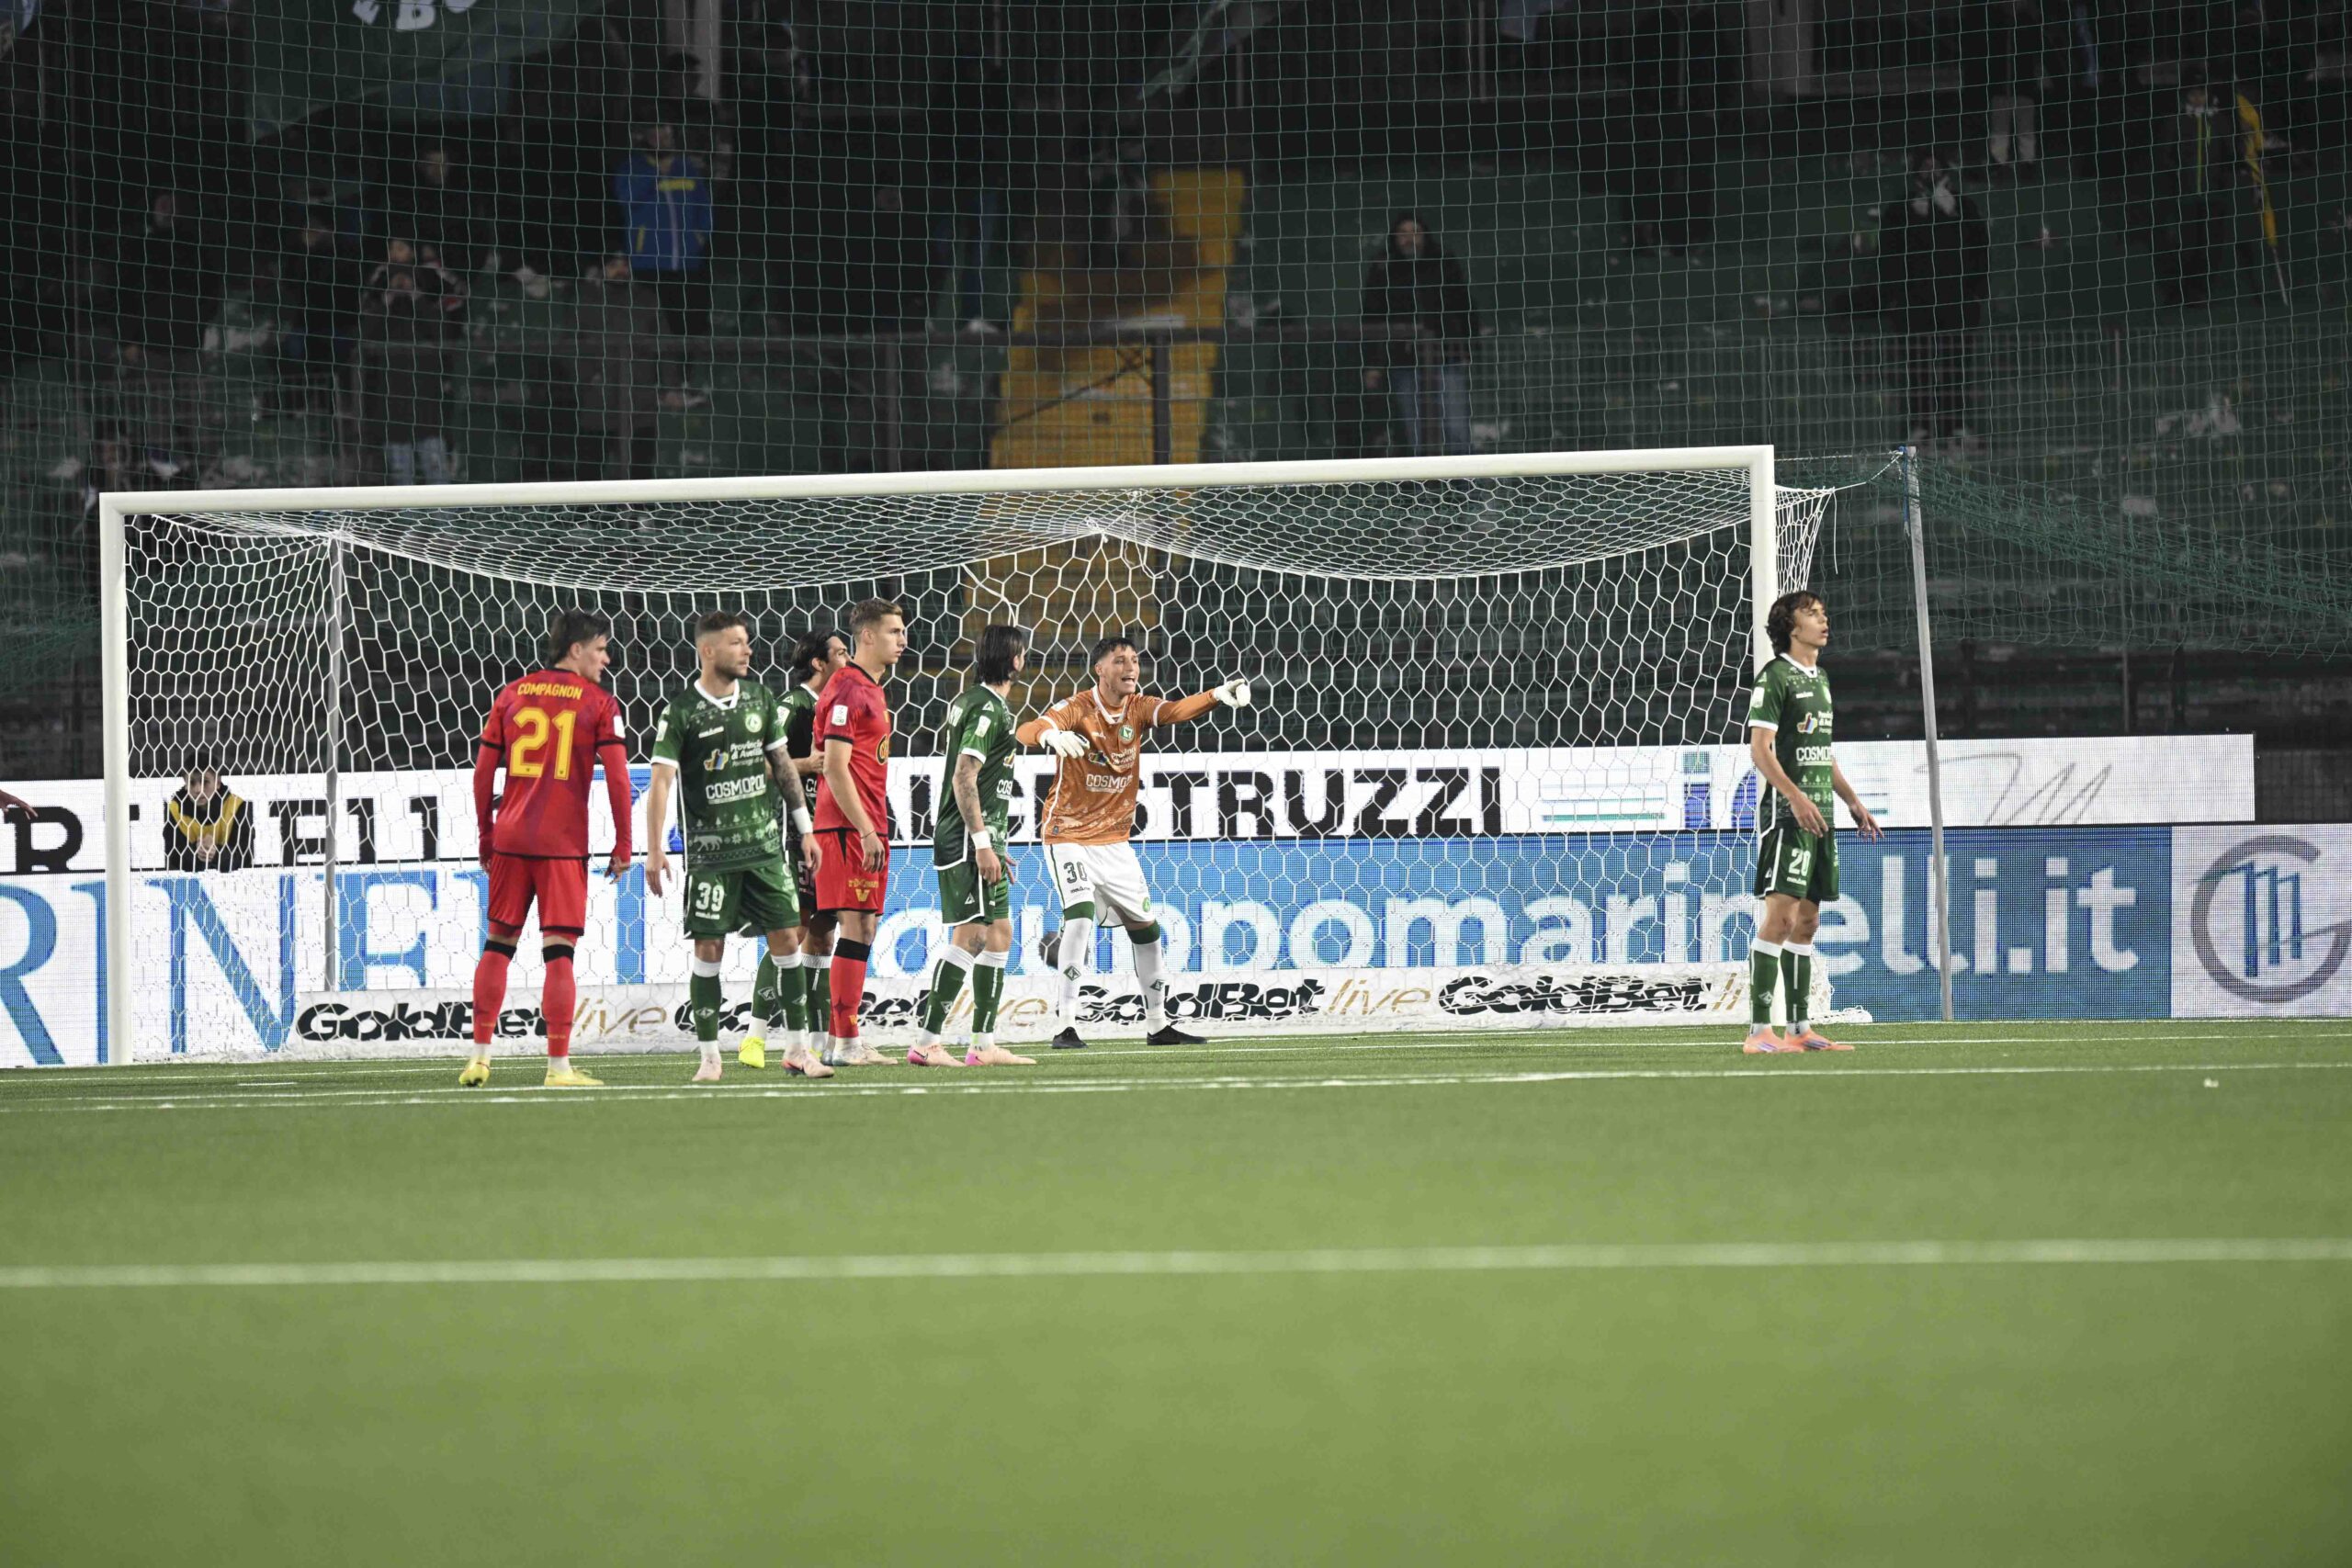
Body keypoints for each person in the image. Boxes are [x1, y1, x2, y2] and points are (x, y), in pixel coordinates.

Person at [1015, 639, 1255, 1051]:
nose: (1130, 667)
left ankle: (1158, 1025)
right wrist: (1050, 736)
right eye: (1120, 661)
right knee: (1080, 915)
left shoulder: (1138, 708)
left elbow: (1175, 711)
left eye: (1135, 660)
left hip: (1115, 842)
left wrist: (1215, 694)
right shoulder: (1077, 708)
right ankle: (1066, 1026)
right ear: (1099, 670)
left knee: (1147, 930)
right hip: (1067, 833)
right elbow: (1027, 729)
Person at [644, 612, 834, 1083]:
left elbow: (784, 767)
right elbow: (662, 781)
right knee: (709, 948)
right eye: (736, 643)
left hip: (764, 849)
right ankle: (710, 1058)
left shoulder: (760, 699)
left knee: (788, 938)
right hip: (711, 855)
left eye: (747, 641)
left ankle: (797, 1050)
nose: (748, 650)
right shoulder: (681, 711)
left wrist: (805, 829)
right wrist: (654, 848)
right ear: (708, 651)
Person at [461, 610, 636, 1089]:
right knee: (559, 954)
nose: (606, 659)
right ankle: (558, 1067)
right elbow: (618, 778)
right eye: (600, 649)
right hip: (562, 846)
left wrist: (486, 835)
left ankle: (479, 1057)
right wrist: (623, 842)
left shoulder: (512, 694)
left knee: (497, 945)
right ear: (576, 650)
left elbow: (483, 774)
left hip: (511, 840)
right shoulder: (600, 702)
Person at [1743, 592, 1883, 1055]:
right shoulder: (1774, 676)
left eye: (1824, 612)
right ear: (1791, 626)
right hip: (1789, 816)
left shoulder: (1820, 678)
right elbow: (1760, 749)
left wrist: (1852, 801)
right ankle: (1758, 1032)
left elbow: (1823, 753)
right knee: (1781, 919)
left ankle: (1799, 1029)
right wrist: (1795, 796)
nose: (1824, 620)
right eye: (1812, 614)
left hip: (1821, 816)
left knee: (1807, 923)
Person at [911, 625, 1037, 1067]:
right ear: (1013, 658)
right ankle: (926, 1042)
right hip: (967, 839)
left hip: (984, 837)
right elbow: (964, 776)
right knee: (973, 935)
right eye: (1022, 652)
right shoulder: (987, 707)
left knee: (1000, 933)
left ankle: (983, 1045)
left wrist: (994, 841)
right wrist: (982, 842)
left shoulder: (980, 702)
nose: (1025, 658)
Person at [741, 630, 851, 1069]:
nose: (848, 659)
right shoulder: (793, 705)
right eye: (840, 653)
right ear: (819, 663)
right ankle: (754, 1037)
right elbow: (756, 762)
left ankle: (818, 1044)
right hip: (790, 832)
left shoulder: (836, 707)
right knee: (794, 930)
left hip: (826, 832)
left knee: (823, 934)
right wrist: (806, 764)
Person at [814, 599, 911, 1066]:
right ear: (867, 636)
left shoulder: (871, 688)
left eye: (903, 631)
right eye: (894, 631)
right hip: (848, 826)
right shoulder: (849, 689)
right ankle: (847, 1043)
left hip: (864, 824)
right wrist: (867, 829)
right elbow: (834, 767)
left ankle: (841, 1041)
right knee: (855, 927)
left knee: (863, 927)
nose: (903, 639)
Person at [1869, 152, 1990, 449]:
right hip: (1914, 303)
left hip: (1956, 301)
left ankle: (1955, 427)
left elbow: (1979, 249)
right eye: (1926, 166)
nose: (1931, 171)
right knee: (1918, 368)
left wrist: (1952, 213)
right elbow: (1888, 254)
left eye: (1936, 166)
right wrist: (1894, 297)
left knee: (1955, 367)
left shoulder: (1963, 206)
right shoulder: (1901, 208)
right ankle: (1920, 427)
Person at [1360, 213, 1480, 457]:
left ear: (1425, 236)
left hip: (1445, 355)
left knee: (1456, 426)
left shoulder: (1443, 262)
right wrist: (1372, 364)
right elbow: (1371, 317)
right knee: (1414, 428)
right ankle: (1422, 480)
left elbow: (1464, 304)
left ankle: (1463, 479)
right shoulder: (1383, 267)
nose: (1409, 238)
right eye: (1402, 233)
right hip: (1404, 360)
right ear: (1394, 238)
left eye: (1415, 231)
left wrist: (1469, 347)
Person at [614, 121, 715, 404]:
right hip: (649, 262)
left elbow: (704, 205)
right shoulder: (632, 168)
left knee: (691, 323)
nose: (662, 140)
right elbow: (628, 198)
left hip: (687, 263)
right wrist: (658, 173)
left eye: (666, 134)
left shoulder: (687, 168)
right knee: (656, 326)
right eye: (655, 135)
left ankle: (681, 384)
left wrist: (700, 236)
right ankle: (657, 386)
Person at [358, 242, 466, 484]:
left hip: (427, 404)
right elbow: (365, 337)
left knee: (436, 472)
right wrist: (387, 301)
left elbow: (441, 334)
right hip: (392, 405)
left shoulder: (428, 306)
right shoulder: (381, 310)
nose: (401, 284)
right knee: (401, 477)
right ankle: (406, 513)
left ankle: (443, 512)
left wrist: (416, 297)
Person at [568, 255, 665, 481]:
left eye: (625, 265)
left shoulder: (647, 299)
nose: (621, 270)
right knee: (590, 468)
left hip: (639, 398)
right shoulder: (585, 300)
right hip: (598, 398)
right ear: (602, 269)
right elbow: (569, 345)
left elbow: (665, 344)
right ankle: (587, 507)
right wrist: (586, 377)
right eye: (613, 265)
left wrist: (668, 387)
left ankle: (640, 506)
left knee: (640, 466)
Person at [164, 764, 254, 872]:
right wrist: (196, 850)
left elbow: (246, 858)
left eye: (205, 782)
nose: (198, 789)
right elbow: (172, 860)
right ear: (185, 784)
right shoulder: (174, 810)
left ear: (217, 782)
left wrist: (217, 853)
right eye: (192, 782)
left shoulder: (238, 806)